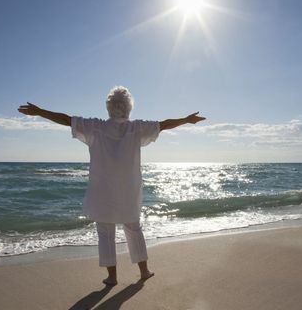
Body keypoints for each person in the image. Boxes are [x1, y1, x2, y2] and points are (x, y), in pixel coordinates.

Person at [18, 86, 205, 285]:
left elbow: (67, 120)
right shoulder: (137, 128)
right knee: (134, 228)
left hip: (103, 191)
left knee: (105, 233)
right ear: (129, 108)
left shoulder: (96, 127)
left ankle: (112, 277)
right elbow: (164, 124)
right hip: (128, 191)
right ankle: (144, 271)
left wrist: (39, 112)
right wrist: (186, 119)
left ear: (109, 107)